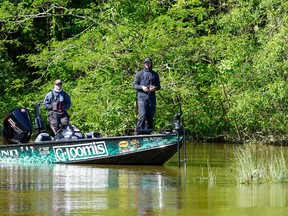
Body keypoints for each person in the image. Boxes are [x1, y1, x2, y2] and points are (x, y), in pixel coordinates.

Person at [133, 57, 161, 132]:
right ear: (144, 64)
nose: (147, 64)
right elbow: (134, 85)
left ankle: (148, 133)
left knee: (150, 116)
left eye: (148, 63)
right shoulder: (139, 74)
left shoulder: (155, 74)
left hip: (151, 98)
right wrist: (142, 87)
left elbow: (159, 86)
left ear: (151, 64)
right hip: (142, 97)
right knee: (142, 114)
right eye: (146, 63)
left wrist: (154, 88)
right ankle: (139, 132)